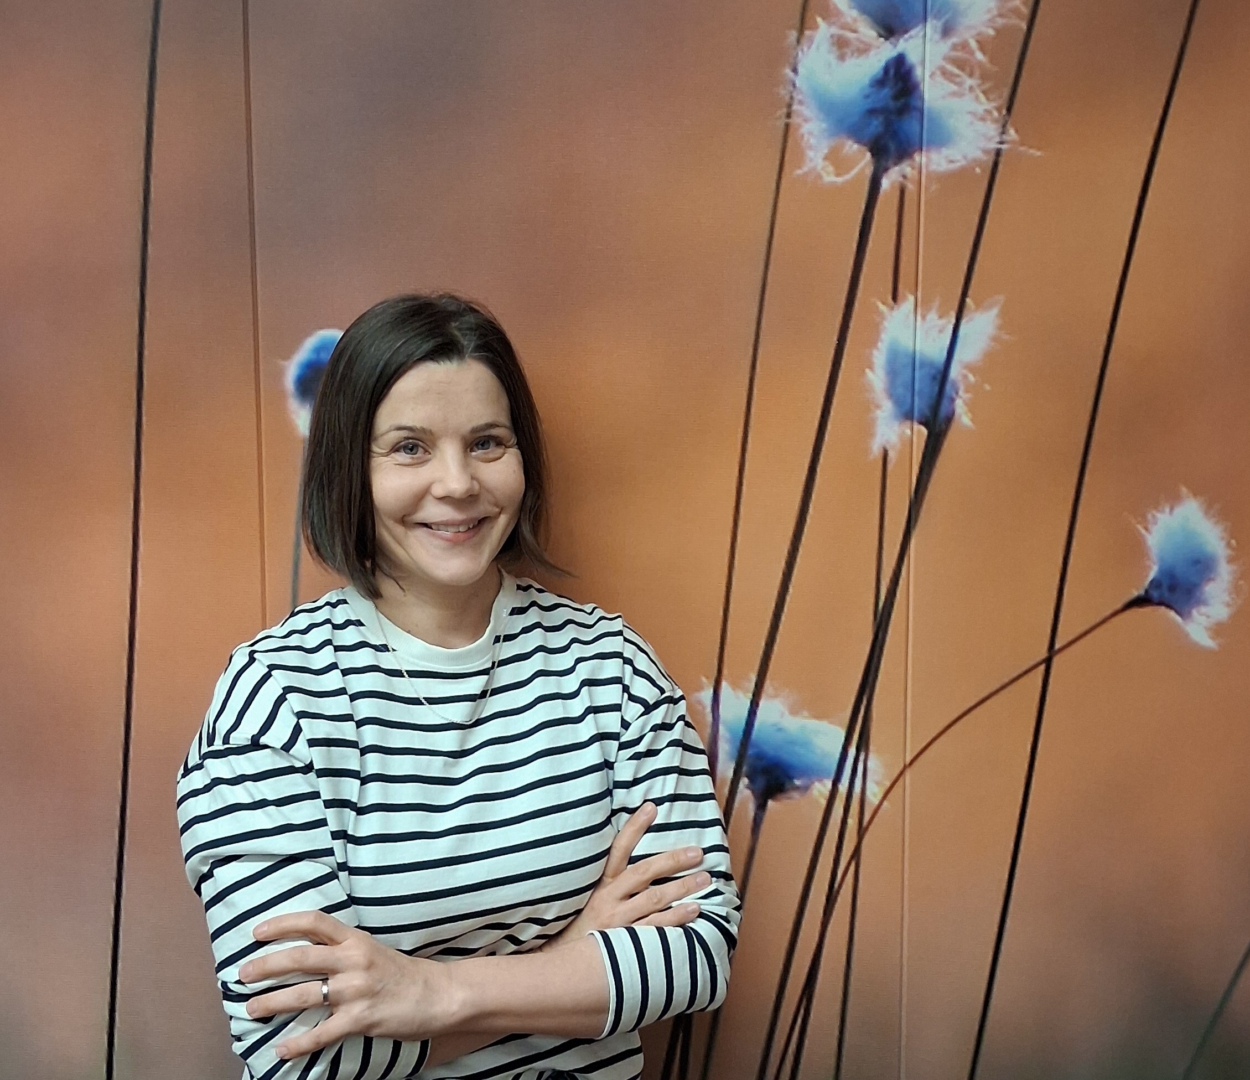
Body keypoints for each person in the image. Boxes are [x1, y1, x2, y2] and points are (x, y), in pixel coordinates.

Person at [176, 293, 740, 1080]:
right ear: (348, 466)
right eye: (409, 448)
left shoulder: (611, 669)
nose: (458, 483)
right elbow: (299, 1054)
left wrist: (432, 990)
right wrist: (573, 959)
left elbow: (696, 955)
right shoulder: (275, 699)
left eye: (487, 443)